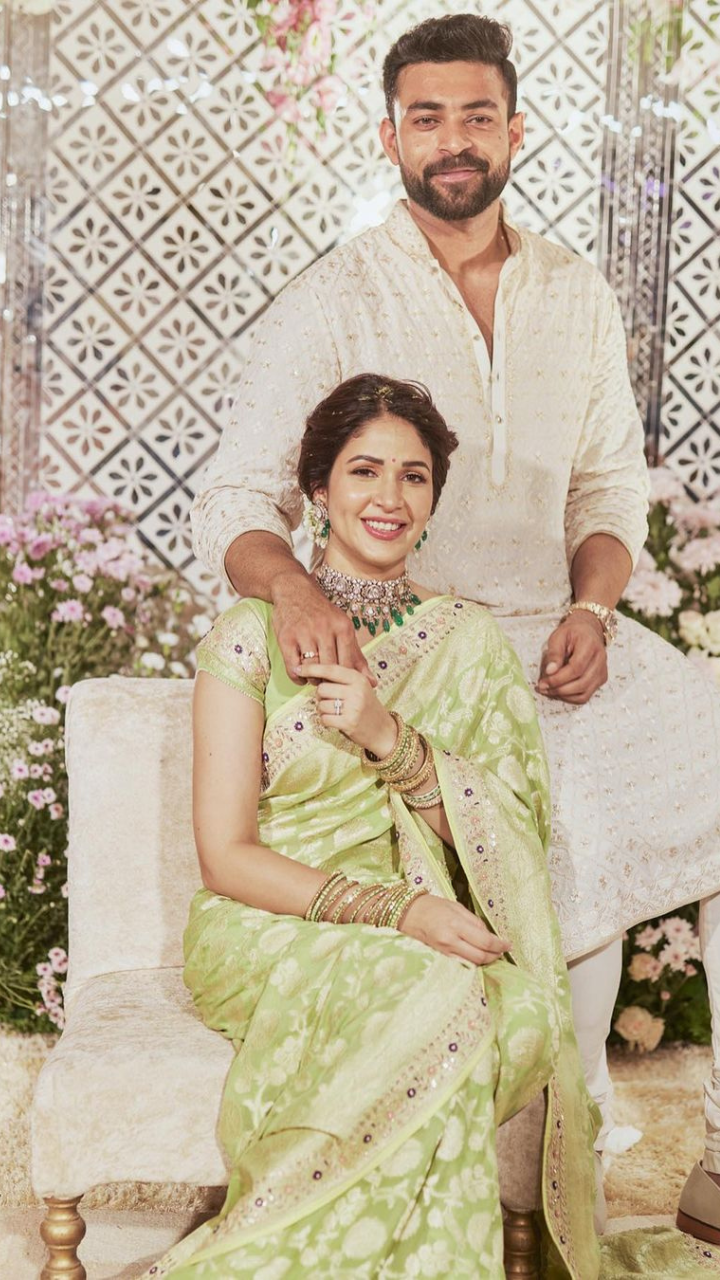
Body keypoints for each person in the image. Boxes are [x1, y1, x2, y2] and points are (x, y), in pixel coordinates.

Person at [191, 11, 720, 1240]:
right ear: (388, 135)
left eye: (476, 114)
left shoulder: (575, 293)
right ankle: (564, 1146)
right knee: (560, 817)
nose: (453, 139)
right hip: (414, 649)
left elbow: (608, 494)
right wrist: (303, 592)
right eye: (426, 116)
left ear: (516, 128)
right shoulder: (337, 293)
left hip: (561, 635)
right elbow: (236, 498)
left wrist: (596, 604)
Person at [142, 374, 600, 1280]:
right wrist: (395, 913)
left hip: (425, 918)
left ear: (434, 500)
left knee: (511, 1012)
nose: (389, 499)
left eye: (414, 477)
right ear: (317, 490)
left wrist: (389, 738)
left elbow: (507, 833)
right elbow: (225, 855)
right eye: (363, 472)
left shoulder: (466, 642)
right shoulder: (250, 634)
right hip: (271, 920)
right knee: (440, 995)